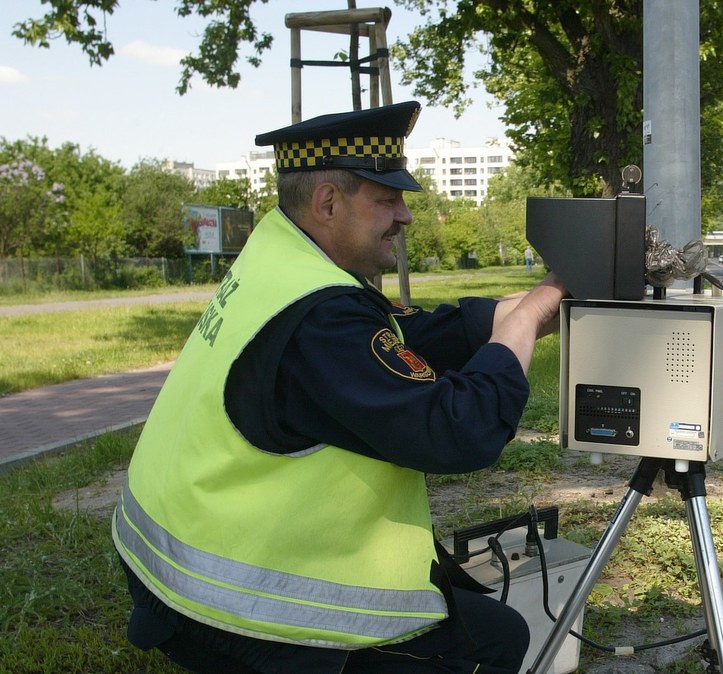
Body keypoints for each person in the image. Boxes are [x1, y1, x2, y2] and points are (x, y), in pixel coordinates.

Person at [111, 101, 567, 674]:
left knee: (488, 627)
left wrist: (522, 305)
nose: (405, 216)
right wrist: (523, 324)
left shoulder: (283, 259)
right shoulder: (319, 318)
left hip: (174, 568)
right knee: (495, 643)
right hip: (228, 607)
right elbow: (456, 431)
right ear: (328, 202)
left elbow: (396, 338)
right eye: (387, 199)